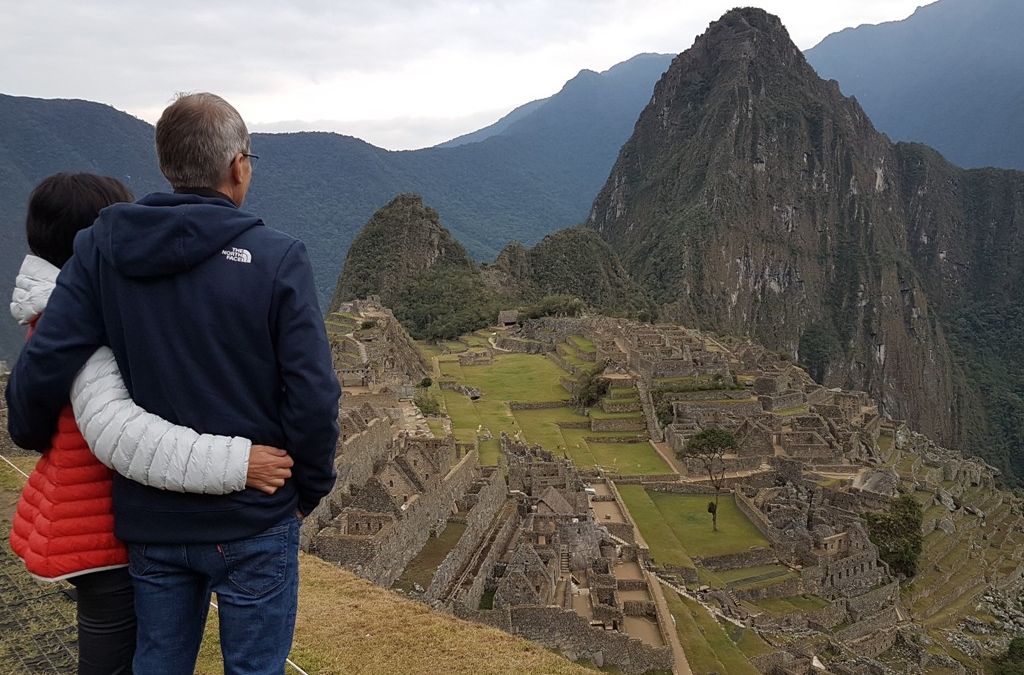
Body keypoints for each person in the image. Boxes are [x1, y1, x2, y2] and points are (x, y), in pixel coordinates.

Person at [6, 93, 340, 674]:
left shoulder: (100, 250)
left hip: (153, 521)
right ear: (239, 165)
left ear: (167, 166)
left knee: (158, 664)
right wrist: (303, 490)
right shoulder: (277, 257)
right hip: (253, 517)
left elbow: (47, 362)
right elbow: (313, 395)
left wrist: (30, 429)